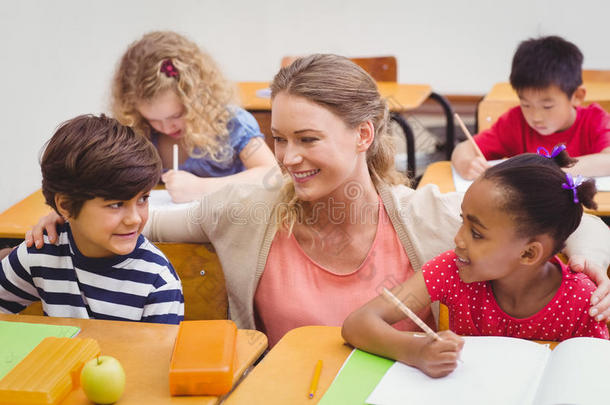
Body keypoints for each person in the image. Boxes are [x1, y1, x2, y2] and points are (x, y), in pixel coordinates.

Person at [25, 55, 610, 347]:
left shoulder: (426, 217)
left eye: (308, 139)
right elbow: (144, 220)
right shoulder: (246, 211)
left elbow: (559, 212)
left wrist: (598, 254)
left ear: (362, 135)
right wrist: (70, 213)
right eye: (279, 138)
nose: (288, 157)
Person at [342, 150, 609, 378]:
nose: (458, 239)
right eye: (463, 222)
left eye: (477, 233)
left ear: (529, 254)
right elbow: (358, 323)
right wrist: (416, 351)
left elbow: (594, 376)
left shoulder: (583, 301)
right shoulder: (450, 270)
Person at [1, 115, 184, 324]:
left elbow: (158, 356)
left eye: (143, 199)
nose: (134, 219)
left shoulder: (158, 281)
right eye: (116, 204)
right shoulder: (41, 252)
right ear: (65, 205)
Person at [112, 31, 278, 202]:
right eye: (153, 120)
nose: (167, 128)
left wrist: (202, 188)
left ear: (198, 99)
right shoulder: (140, 132)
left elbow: (273, 177)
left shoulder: (231, 123)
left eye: (176, 115)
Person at [452, 35, 610, 180]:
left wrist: (549, 169)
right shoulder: (515, 122)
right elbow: (463, 149)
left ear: (577, 97)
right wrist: (467, 164)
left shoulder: (595, 120)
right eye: (526, 104)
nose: (535, 117)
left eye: (547, 106)